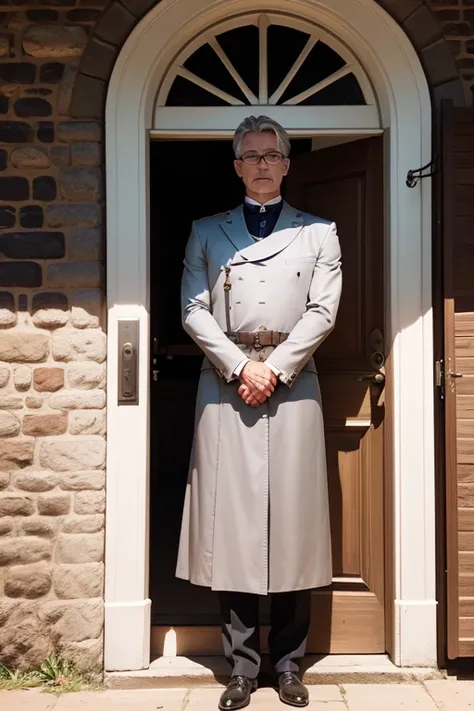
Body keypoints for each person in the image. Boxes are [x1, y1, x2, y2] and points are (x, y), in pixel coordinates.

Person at [176, 115, 342, 710]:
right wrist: (241, 367)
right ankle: (241, 667)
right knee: (234, 526)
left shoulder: (320, 233)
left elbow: (323, 312)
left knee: (294, 524)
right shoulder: (206, 231)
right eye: (252, 154)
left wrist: (276, 367)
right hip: (226, 384)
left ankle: (291, 664)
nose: (264, 162)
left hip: (293, 384)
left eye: (273, 153)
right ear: (237, 165)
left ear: (288, 164)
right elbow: (193, 309)